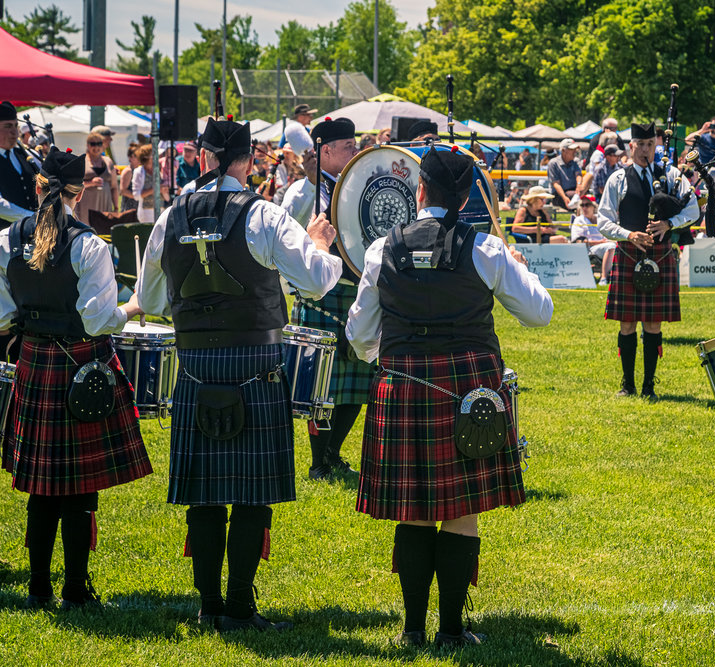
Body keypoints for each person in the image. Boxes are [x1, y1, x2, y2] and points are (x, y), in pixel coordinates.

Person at [136, 117, 341, 632]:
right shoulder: (264, 215)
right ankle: (241, 609)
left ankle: (209, 608)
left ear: (204, 158)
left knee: (205, 494)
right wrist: (317, 243)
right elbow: (316, 283)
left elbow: (155, 299)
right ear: (248, 161)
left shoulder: (168, 218)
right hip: (257, 365)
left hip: (198, 367)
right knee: (252, 493)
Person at [345, 147, 552, 648]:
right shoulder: (486, 249)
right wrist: (522, 265)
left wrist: (392, 358)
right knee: (462, 508)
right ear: (465, 198)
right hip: (470, 391)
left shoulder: (381, 250)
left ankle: (413, 629)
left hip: (405, 387)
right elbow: (539, 313)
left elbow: (358, 334)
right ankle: (453, 631)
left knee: (414, 507)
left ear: (420, 191)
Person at [0, 148, 152, 609]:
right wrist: (133, 306)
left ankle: (39, 586)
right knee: (79, 488)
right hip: (80, 364)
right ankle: (75, 590)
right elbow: (98, 320)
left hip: (35, 364)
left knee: (41, 485)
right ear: (80, 190)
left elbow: (5, 314)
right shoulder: (89, 245)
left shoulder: (8, 239)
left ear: (38, 185)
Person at [281, 118, 372, 479]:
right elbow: (291, 231)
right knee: (322, 385)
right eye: (348, 147)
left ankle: (333, 453)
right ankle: (319, 461)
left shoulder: (356, 185)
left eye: (354, 145)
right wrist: (309, 182)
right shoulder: (302, 191)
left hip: (355, 293)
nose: (354, 151)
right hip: (321, 296)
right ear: (326, 151)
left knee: (357, 380)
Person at [598, 122, 699, 398]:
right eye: (640, 145)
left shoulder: (672, 175)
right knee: (627, 323)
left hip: (661, 254)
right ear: (631, 147)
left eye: (650, 145)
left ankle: (648, 386)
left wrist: (669, 223)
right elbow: (603, 220)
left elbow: (693, 210)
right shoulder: (617, 179)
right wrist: (628, 234)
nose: (646, 150)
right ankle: (627, 385)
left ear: (656, 145)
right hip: (629, 254)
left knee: (653, 323)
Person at [0, 101, 39, 224]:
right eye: (7, 126)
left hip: (32, 235)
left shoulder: (25, 154)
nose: (15, 132)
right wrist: (31, 217)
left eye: (15, 125)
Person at [75, 131, 119, 226]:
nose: (96, 147)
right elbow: (74, 185)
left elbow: (114, 187)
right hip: (86, 206)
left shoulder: (108, 161)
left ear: (103, 145)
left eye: (99, 144)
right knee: (87, 232)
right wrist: (91, 183)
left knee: (104, 232)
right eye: (93, 144)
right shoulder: (81, 160)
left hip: (105, 205)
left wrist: (116, 207)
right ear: (87, 145)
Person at [571, 195, 615, 284]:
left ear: (593, 206)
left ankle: (615, 277)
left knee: (616, 246)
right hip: (588, 249)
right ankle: (603, 278)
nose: (584, 207)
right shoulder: (579, 220)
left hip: (603, 246)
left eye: (587, 205)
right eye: (582, 205)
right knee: (611, 246)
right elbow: (577, 241)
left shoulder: (600, 219)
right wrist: (599, 242)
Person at [547, 138, 582, 210]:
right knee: (581, 200)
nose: (575, 151)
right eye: (572, 149)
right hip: (559, 195)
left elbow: (578, 175)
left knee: (584, 197)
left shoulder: (576, 161)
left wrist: (579, 185)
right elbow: (556, 184)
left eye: (575, 149)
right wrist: (564, 197)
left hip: (574, 192)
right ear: (563, 150)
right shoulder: (553, 163)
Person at [132, 144, 156, 223]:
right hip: (146, 212)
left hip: (162, 209)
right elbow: (136, 195)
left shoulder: (159, 170)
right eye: (153, 154)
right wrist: (154, 190)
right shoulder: (139, 172)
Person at [119, 143, 140, 212]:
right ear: (130, 157)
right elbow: (123, 191)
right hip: (129, 209)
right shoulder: (128, 171)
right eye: (137, 156)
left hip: (137, 207)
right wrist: (139, 196)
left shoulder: (138, 170)